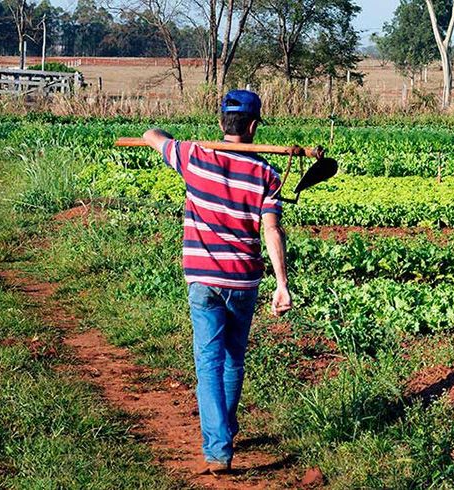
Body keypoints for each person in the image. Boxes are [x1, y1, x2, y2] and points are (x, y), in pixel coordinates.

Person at [142, 89, 291, 476]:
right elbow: (272, 231)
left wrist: (161, 134)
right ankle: (223, 433)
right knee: (233, 360)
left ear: (221, 123)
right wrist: (282, 283)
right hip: (243, 279)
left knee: (209, 363)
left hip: (203, 278)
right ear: (255, 126)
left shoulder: (193, 156)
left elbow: (151, 135)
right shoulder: (266, 174)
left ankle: (219, 448)